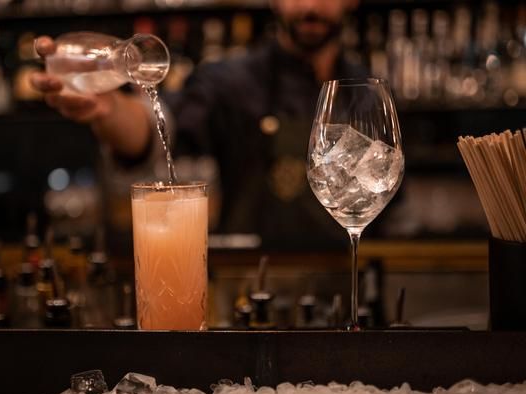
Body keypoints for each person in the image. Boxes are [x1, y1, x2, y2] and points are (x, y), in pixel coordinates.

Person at [31, 0, 367, 249]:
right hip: (248, 283)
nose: (310, 6)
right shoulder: (230, 82)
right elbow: (158, 127)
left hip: (351, 280)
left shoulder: (371, 93)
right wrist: (109, 110)